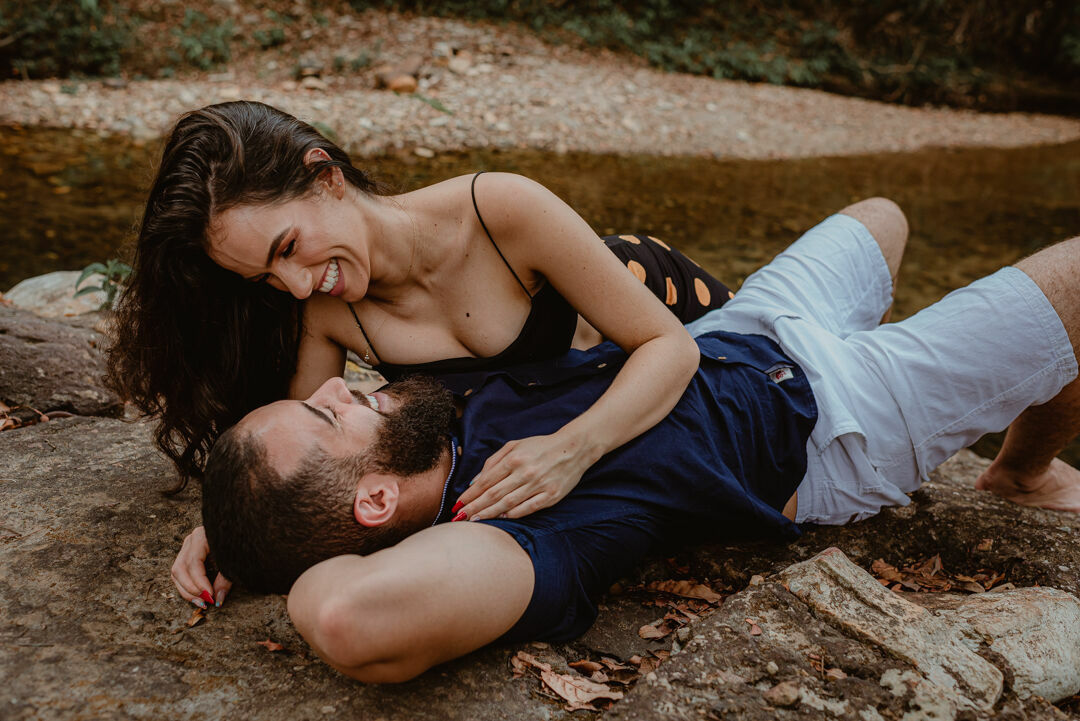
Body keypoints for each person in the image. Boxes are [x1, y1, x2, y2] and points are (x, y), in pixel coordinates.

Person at [180, 199, 1080, 682]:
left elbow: (305, 461)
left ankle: (965, 371)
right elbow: (348, 617)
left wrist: (239, 525)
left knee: (884, 216)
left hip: (739, 330)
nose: (334, 387)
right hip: (840, 420)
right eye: (327, 415)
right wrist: (292, 567)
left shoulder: (419, 420)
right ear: (376, 500)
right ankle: (1018, 472)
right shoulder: (509, 536)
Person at [107, 100, 734, 537]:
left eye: (288, 247)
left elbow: (668, 347)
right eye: (265, 277)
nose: (295, 285)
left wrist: (571, 450)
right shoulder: (325, 312)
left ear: (324, 177)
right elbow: (298, 455)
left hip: (682, 314)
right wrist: (234, 528)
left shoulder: (501, 209)